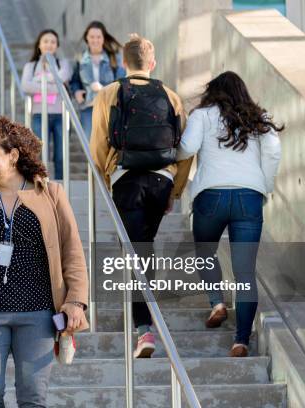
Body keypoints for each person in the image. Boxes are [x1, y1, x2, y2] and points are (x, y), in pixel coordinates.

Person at [0, 116, 89, 407]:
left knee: (33, 397)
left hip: (38, 312)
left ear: (13, 155)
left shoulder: (51, 194)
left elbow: (72, 250)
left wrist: (76, 300)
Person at [90, 34, 192, 358]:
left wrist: (107, 181)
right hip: (161, 180)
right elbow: (186, 151)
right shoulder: (172, 97)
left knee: (135, 255)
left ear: (123, 62)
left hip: (126, 180)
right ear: (152, 63)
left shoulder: (109, 94)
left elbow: (98, 145)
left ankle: (144, 331)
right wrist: (175, 189)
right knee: (141, 250)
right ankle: (143, 321)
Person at [177, 71, 283, 357]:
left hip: (211, 196)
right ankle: (241, 340)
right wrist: (265, 186)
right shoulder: (258, 117)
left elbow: (186, 148)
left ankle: (217, 302)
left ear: (213, 92)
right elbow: (273, 151)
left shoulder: (202, 115)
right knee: (245, 273)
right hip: (248, 197)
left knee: (205, 251)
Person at [21, 29, 72, 180]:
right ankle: (40, 185)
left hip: (60, 115)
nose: (49, 44)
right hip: (38, 115)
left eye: (53, 42)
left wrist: (40, 80)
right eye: (45, 41)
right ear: (39, 45)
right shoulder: (30, 66)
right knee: (38, 154)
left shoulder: (63, 63)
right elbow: (25, 86)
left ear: (57, 46)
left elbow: (62, 78)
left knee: (60, 156)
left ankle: (61, 186)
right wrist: (53, 84)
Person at [70, 21, 125, 138]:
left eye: (98, 37)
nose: (95, 40)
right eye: (92, 37)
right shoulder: (80, 58)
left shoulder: (114, 58)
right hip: (87, 107)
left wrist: (104, 89)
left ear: (103, 38)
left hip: (109, 107)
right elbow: (74, 81)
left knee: (110, 143)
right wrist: (76, 92)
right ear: (87, 38)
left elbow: (121, 82)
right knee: (89, 144)